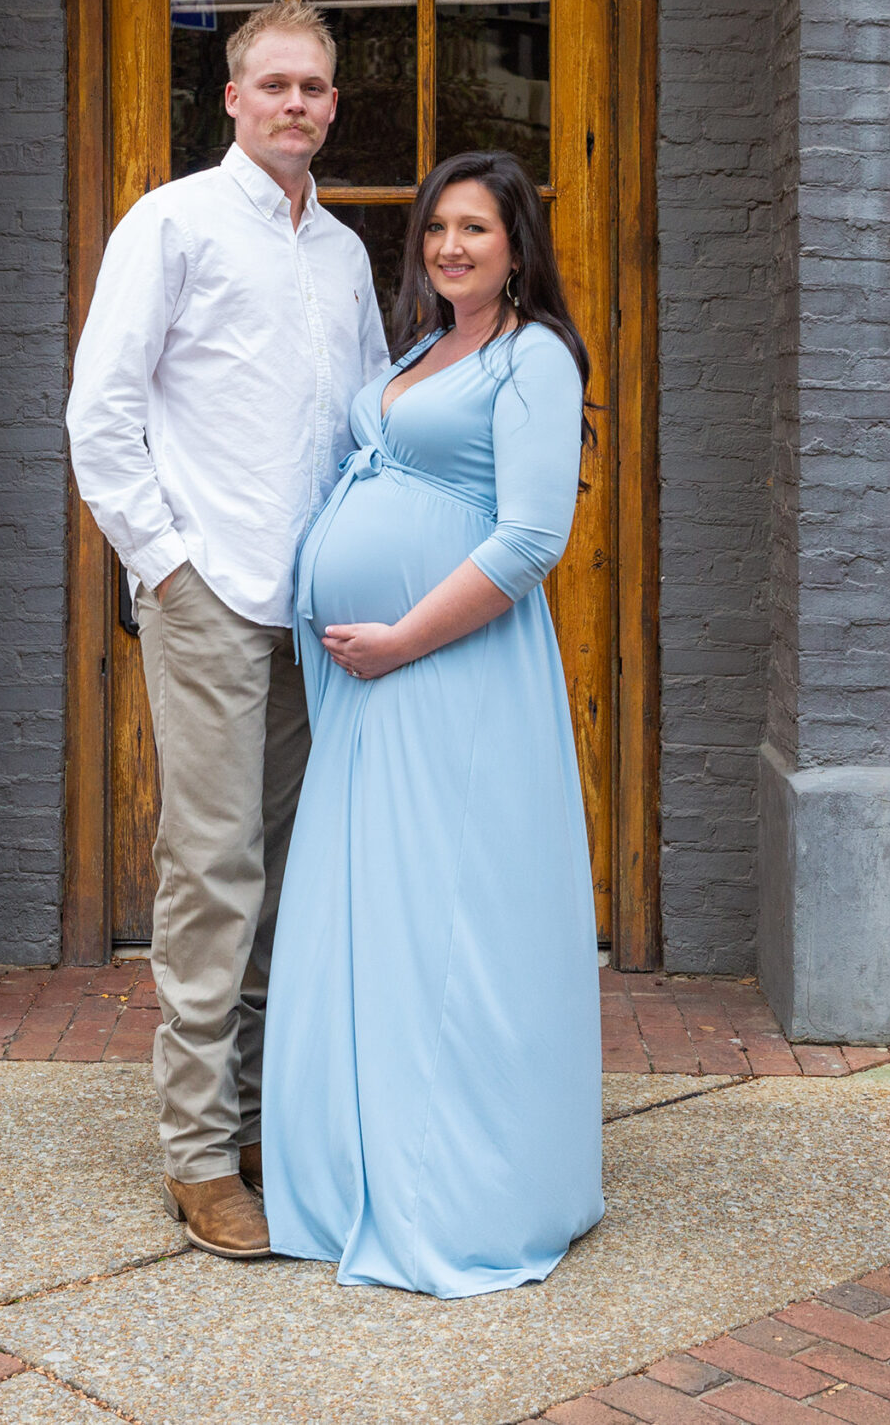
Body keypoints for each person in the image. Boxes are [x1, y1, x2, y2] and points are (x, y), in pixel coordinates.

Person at [66, 0, 388, 1261]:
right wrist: (166, 565)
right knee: (211, 869)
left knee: (287, 867)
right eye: (275, 84)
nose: (296, 103)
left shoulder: (344, 255)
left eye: (314, 87)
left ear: (331, 106)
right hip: (211, 592)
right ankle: (196, 1154)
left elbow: (364, 420)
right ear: (234, 97)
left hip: (315, 607)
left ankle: (255, 1122)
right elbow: (100, 412)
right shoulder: (173, 223)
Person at [262, 150, 604, 1297]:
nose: (450, 247)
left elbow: (530, 539)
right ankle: (350, 1170)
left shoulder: (533, 356)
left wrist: (403, 637)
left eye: (475, 228)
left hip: (452, 679)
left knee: (449, 922)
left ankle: (457, 1191)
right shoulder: (421, 351)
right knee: (373, 919)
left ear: (516, 246)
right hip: (369, 689)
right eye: (437, 228)